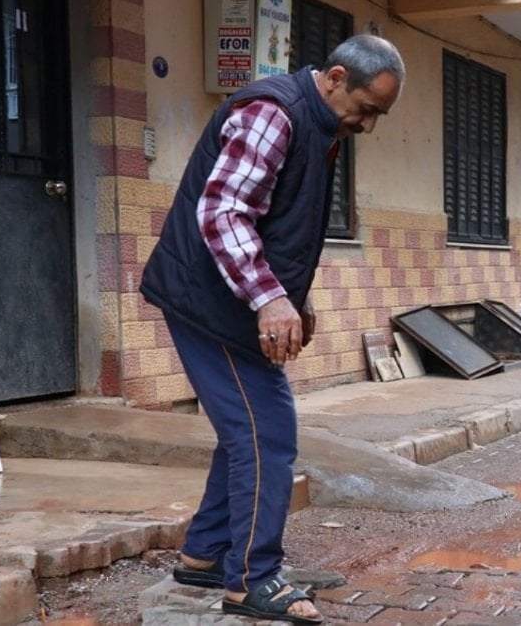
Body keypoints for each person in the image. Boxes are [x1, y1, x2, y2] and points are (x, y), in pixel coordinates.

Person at [139, 34, 405, 624]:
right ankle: (251, 580)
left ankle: (206, 556)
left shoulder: (322, 126)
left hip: (230, 299)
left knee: (247, 432)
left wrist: (293, 298)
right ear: (336, 77)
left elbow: (282, 220)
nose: (368, 125)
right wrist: (269, 300)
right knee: (269, 433)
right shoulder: (273, 113)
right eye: (366, 108)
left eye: (377, 115)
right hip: (207, 301)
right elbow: (224, 211)